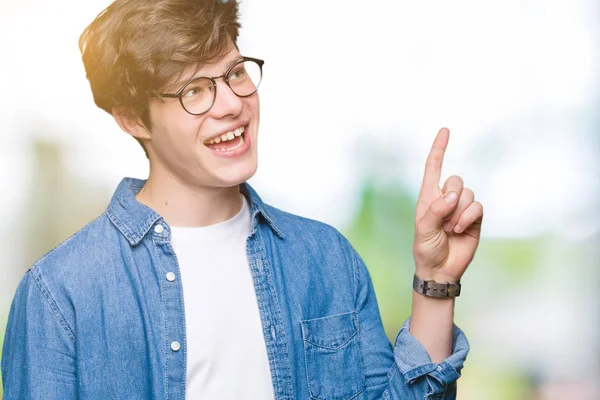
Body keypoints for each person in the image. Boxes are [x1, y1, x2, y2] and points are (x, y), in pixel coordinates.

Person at [1, 0, 484, 398]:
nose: (232, 103)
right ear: (132, 119)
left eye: (235, 73)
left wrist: (436, 281)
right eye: (194, 89)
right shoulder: (60, 295)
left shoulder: (325, 259)